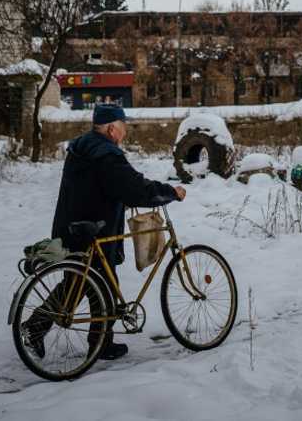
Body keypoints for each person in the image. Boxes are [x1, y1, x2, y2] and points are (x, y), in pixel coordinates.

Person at [22, 103, 186, 361]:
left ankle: (80, 337)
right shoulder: (106, 154)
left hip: (73, 224)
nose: (126, 132)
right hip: (93, 230)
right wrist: (168, 192)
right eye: (123, 127)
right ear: (111, 128)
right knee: (98, 285)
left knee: (82, 283)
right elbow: (132, 187)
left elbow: (105, 184)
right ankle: (94, 342)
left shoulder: (84, 146)